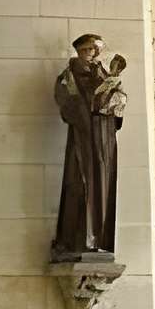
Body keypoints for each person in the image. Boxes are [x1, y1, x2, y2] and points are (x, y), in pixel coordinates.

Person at [52, 35, 128, 260]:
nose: (91, 54)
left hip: (104, 137)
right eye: (86, 50)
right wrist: (95, 99)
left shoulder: (104, 73)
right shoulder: (69, 77)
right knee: (82, 184)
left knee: (102, 186)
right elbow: (69, 104)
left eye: (94, 50)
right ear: (78, 51)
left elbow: (117, 103)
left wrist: (115, 98)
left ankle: (99, 239)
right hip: (85, 137)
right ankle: (77, 240)